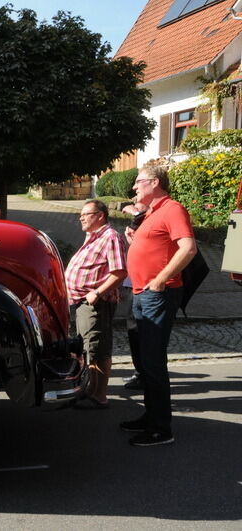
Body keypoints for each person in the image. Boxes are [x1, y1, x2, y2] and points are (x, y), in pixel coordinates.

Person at [123, 166, 197, 447]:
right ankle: (150, 416)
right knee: (145, 362)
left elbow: (188, 248)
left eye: (138, 182)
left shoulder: (173, 208)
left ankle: (161, 428)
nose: (134, 188)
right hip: (142, 294)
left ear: (155, 182)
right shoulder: (152, 212)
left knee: (153, 362)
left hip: (157, 295)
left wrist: (161, 279)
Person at [64, 199, 127, 409]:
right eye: (80, 214)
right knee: (87, 348)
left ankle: (99, 396)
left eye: (85, 214)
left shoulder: (110, 237)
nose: (81, 217)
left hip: (96, 304)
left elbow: (119, 272)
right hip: (83, 303)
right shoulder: (94, 237)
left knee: (97, 350)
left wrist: (98, 292)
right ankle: (90, 390)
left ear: (100, 216)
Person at [120, 199, 149, 391]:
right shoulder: (141, 218)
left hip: (147, 284)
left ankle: (145, 375)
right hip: (134, 282)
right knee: (134, 330)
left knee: (141, 331)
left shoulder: (151, 217)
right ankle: (142, 373)